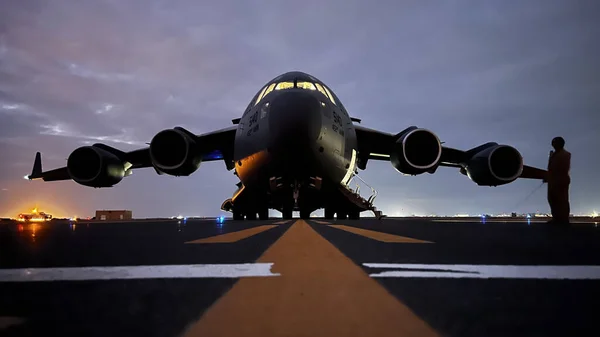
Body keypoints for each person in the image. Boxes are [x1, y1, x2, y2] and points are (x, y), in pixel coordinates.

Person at [544, 137, 571, 225]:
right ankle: (556, 218)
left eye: (555, 143)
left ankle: (563, 219)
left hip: (560, 180)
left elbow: (561, 168)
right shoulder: (554, 154)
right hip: (554, 180)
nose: (553, 145)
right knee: (552, 199)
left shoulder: (565, 154)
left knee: (562, 200)